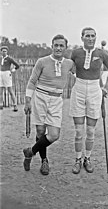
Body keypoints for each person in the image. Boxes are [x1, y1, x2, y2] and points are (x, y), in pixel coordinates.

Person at [23, 34, 73, 175]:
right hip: (40, 97)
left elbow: (81, 74)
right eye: (55, 45)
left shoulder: (69, 63)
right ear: (52, 46)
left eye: (61, 45)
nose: (58, 48)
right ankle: (44, 161)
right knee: (40, 132)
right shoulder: (42, 61)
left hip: (57, 100)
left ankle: (30, 152)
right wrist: (27, 100)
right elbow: (32, 81)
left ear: (65, 48)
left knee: (54, 135)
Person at [69, 27, 108, 174]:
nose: (90, 38)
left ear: (96, 37)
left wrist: (106, 87)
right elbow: (69, 68)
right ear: (82, 37)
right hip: (79, 88)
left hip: (95, 90)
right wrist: (76, 76)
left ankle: (87, 158)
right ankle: (78, 159)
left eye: (93, 36)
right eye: (87, 36)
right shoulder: (75, 52)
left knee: (90, 130)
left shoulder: (102, 53)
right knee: (78, 131)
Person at [0, 45, 19, 111]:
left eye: (5, 51)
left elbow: (17, 65)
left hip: (7, 74)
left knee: (10, 90)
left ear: (7, 52)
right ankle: (1, 105)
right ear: (1, 52)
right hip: (1, 74)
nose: (4, 52)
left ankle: (15, 105)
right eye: (3, 51)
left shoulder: (9, 59)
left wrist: (13, 70)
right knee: (0, 90)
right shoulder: (0, 58)